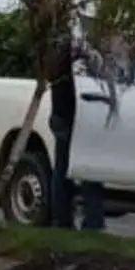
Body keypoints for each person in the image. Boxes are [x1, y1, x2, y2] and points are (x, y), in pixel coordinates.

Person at [49, 30, 105, 231]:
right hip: (75, 116)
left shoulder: (59, 50)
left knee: (62, 168)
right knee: (86, 167)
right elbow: (96, 68)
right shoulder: (79, 49)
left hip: (61, 114)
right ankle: (92, 220)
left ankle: (62, 219)